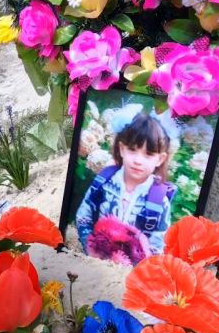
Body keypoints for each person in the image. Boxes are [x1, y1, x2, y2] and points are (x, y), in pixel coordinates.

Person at [76, 104, 178, 257]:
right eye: (132, 150)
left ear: (160, 159)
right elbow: (84, 216)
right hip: (95, 261)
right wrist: (91, 249)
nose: (138, 160)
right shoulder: (104, 183)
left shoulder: (159, 201)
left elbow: (158, 247)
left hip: (132, 273)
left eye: (148, 154)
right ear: (122, 149)